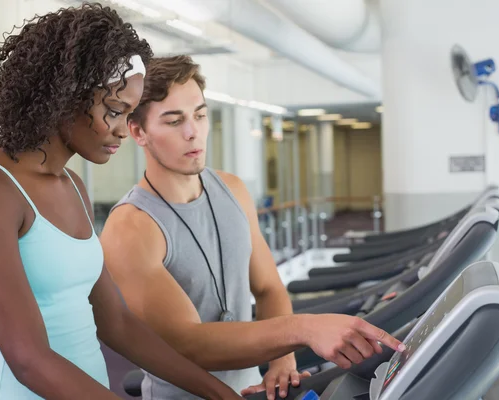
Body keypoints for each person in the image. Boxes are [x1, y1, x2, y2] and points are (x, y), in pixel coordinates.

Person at [0, 4, 245, 400]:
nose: (123, 130)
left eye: (129, 113)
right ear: (64, 96)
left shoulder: (72, 185)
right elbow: (28, 358)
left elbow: (116, 322)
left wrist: (219, 393)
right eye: (113, 111)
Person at [100, 55, 405, 400]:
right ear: (138, 132)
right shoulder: (130, 228)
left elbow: (269, 288)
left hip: (254, 387)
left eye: (200, 115)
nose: (192, 132)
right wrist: (301, 329)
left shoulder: (233, 190)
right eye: (174, 121)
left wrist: (282, 359)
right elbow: (190, 343)